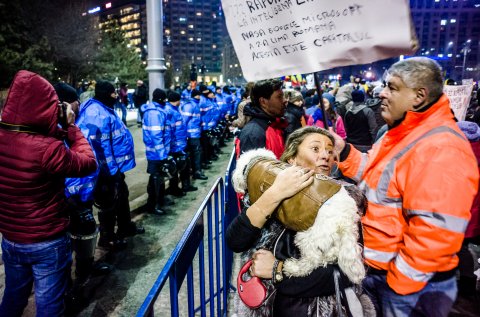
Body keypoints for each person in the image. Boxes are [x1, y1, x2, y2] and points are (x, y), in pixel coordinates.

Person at [334, 57, 479, 317]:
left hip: (409, 286)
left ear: (419, 96)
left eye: (392, 87)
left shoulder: (440, 147)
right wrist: (344, 152)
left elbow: (436, 230)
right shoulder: (401, 133)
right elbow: (377, 179)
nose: (381, 93)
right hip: (383, 273)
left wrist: (401, 284)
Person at [227, 127, 370, 316]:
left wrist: (278, 271)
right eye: (316, 149)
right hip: (263, 308)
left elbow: (346, 272)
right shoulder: (269, 191)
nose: (326, 156)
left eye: (329, 150)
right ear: (291, 159)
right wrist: (274, 194)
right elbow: (236, 241)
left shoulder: (342, 202)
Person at [0, 70, 97, 316]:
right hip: (46, 241)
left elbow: (29, 135)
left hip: (11, 238)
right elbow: (87, 162)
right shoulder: (47, 150)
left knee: (13, 297)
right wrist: (71, 127)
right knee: (49, 305)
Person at [54, 83, 112, 309]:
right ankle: (67, 292)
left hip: (83, 192)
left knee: (85, 232)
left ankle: (85, 269)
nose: (79, 106)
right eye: (75, 102)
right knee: (63, 248)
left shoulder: (74, 124)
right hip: (68, 197)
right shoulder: (56, 130)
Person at [79, 80, 144, 249]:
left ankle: (125, 226)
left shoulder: (104, 109)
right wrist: (111, 171)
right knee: (108, 201)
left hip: (112, 168)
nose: (116, 96)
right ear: (105, 94)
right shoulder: (96, 114)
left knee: (121, 194)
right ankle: (107, 238)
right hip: (105, 170)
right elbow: (101, 147)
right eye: (113, 93)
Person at [142, 88, 174, 215]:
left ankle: (159, 200)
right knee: (155, 179)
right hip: (156, 154)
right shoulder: (154, 113)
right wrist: (162, 155)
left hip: (159, 152)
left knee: (159, 178)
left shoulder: (158, 111)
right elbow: (156, 135)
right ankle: (153, 205)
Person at [238, 79, 287, 158]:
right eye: (279, 97)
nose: (285, 100)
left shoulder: (275, 124)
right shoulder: (253, 133)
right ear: (263, 102)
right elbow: (253, 169)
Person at [166, 91, 197, 195]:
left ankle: (185, 185)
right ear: (177, 100)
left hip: (181, 145)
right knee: (175, 169)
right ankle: (175, 189)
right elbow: (170, 132)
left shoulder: (175, 110)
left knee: (184, 166)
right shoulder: (170, 112)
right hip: (175, 147)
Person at [181, 89, 208, 180]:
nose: (200, 97)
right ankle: (197, 172)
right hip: (191, 135)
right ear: (195, 96)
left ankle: (196, 170)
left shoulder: (195, 104)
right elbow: (184, 121)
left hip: (195, 134)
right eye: (198, 95)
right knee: (196, 153)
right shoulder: (190, 105)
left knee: (196, 153)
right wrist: (185, 134)